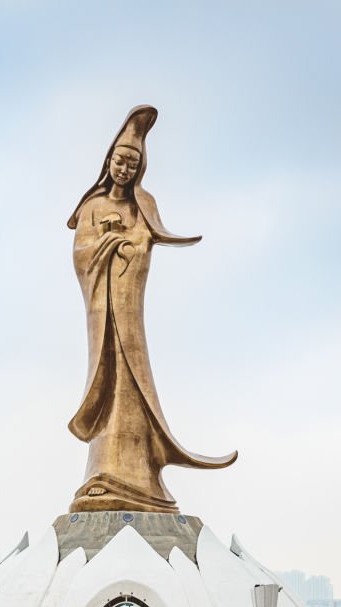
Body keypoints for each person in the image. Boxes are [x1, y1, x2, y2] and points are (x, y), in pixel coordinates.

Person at [67, 105, 237, 514]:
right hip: (104, 309)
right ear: (108, 162)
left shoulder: (143, 204)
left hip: (127, 310)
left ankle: (139, 475)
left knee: (133, 381)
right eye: (119, 161)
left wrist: (125, 243)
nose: (125, 169)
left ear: (141, 168)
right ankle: (104, 472)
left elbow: (146, 243)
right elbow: (81, 253)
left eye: (133, 163)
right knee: (110, 380)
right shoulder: (90, 206)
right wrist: (104, 243)